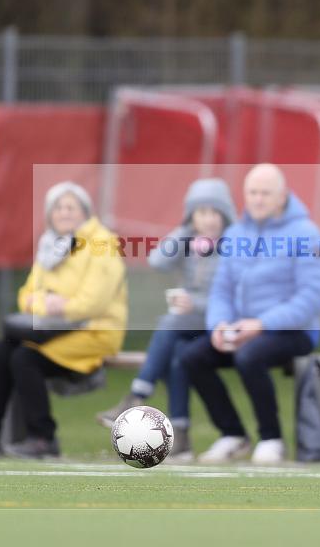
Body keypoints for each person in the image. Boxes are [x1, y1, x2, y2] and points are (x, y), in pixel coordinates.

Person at [0, 182, 126, 458]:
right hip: (54, 329)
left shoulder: (102, 244)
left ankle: (44, 438)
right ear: (49, 213)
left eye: (71, 207)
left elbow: (93, 304)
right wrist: (50, 304)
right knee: (2, 350)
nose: (64, 213)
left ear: (85, 213)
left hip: (93, 332)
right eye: (58, 207)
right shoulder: (49, 245)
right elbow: (27, 297)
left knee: (23, 357)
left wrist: (59, 305)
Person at [181, 163, 320, 465]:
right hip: (243, 328)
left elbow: (311, 299)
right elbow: (221, 290)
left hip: (294, 332)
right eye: (252, 192)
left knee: (249, 356)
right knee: (192, 358)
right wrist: (219, 326)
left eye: (265, 193)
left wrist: (262, 324)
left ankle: (271, 439)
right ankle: (232, 434)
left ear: (282, 196)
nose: (258, 199)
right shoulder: (236, 233)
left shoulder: (307, 233)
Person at [95, 178, 236, 460]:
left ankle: (135, 397)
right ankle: (181, 437)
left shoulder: (235, 245)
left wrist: (193, 302)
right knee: (176, 355)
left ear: (225, 216)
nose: (208, 220)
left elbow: (233, 298)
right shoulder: (188, 242)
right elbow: (157, 260)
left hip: (220, 323)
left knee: (168, 323)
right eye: (200, 213)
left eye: (214, 213)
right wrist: (185, 230)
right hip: (190, 325)